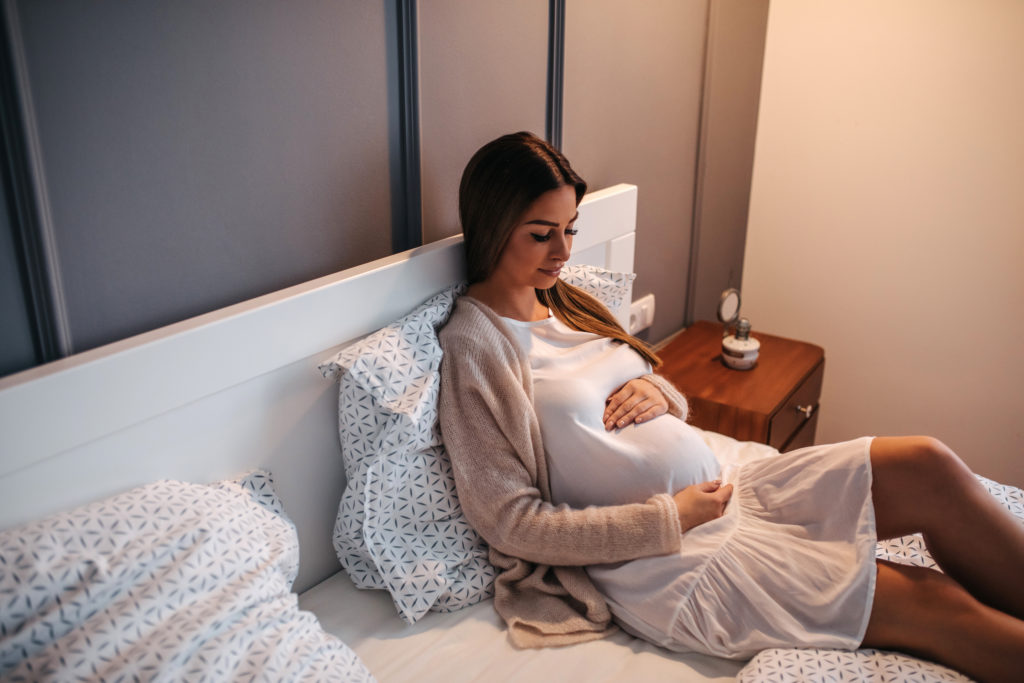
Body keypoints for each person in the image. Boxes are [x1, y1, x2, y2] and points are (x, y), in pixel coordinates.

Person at [437, 131, 1024, 682]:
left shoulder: (570, 299)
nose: (563, 250)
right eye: (542, 234)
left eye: (571, 228)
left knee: (928, 464)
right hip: (674, 558)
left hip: (739, 490)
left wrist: (659, 392)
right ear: (493, 228)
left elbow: (635, 388)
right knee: (931, 599)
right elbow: (511, 524)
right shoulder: (476, 347)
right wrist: (674, 519)